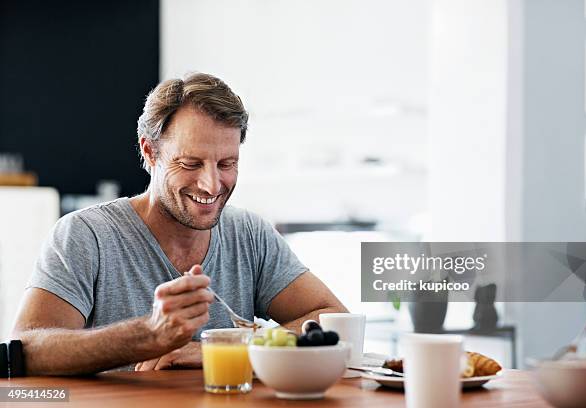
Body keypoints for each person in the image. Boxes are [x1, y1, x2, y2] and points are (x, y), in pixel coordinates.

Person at [12, 73, 348, 375]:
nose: (211, 185)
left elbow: (332, 318)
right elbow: (27, 349)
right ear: (149, 152)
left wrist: (225, 350)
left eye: (227, 163)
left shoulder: (250, 235)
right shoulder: (87, 235)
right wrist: (149, 335)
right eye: (190, 163)